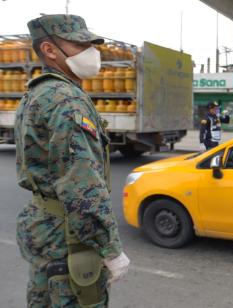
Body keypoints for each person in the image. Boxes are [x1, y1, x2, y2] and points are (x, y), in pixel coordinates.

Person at [15, 14, 129, 307]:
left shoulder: (38, 92)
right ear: (50, 50)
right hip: (69, 236)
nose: (93, 52)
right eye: (80, 44)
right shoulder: (66, 100)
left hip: (45, 227)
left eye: (91, 44)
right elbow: (81, 185)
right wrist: (110, 249)